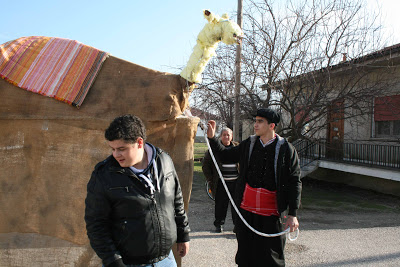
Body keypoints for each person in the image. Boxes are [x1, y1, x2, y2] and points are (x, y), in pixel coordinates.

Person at [85, 114, 190, 267]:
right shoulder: (104, 175)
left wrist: (183, 235)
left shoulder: (164, 161)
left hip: (166, 259)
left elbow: (177, 201)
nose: (116, 155)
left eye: (121, 149)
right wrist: (114, 261)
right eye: (113, 149)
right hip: (128, 263)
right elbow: (96, 224)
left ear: (139, 142)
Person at [206, 108, 301, 267]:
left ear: (271, 126)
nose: (255, 125)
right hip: (247, 213)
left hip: (272, 215)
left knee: (271, 258)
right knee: (245, 256)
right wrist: (212, 138)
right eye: (255, 121)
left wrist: (293, 214)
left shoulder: (286, 149)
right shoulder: (249, 144)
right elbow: (225, 155)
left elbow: (295, 182)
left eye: (260, 121)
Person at [202, 127, 239, 233]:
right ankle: (219, 224)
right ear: (221, 136)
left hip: (235, 182)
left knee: (236, 205)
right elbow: (205, 165)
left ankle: (237, 225)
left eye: (228, 135)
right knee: (220, 205)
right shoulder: (214, 149)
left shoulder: (237, 147)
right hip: (221, 183)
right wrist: (210, 180)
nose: (226, 137)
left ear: (231, 136)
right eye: (224, 135)